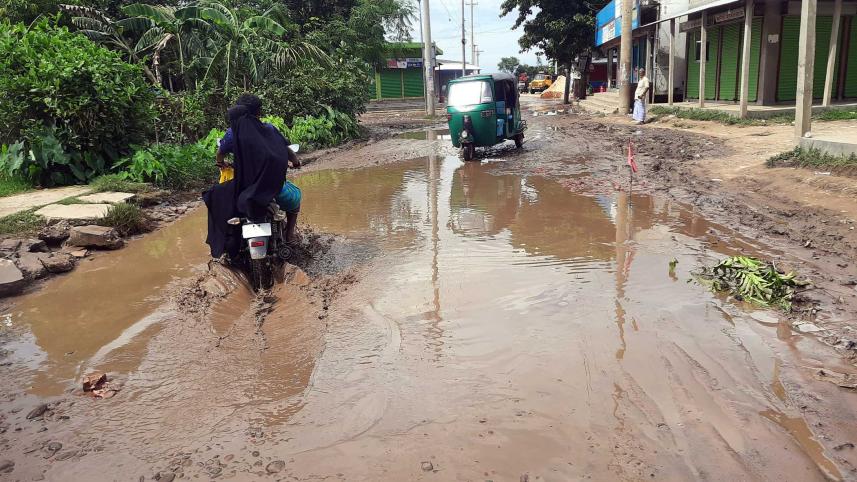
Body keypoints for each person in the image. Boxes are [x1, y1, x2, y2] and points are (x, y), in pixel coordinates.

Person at [203, 94, 301, 259]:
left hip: (244, 191)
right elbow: (287, 151)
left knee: (215, 198)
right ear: (259, 112)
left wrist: (221, 163)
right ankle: (290, 235)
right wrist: (296, 162)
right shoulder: (269, 129)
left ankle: (228, 247)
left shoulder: (232, 134)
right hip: (270, 191)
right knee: (296, 197)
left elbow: (220, 153)